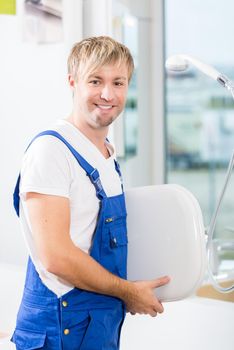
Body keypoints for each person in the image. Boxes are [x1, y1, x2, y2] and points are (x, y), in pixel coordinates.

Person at [11, 36, 170, 350]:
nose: (108, 94)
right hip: (60, 328)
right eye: (95, 81)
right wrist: (127, 291)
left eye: (118, 82)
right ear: (73, 81)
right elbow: (56, 256)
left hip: (98, 324)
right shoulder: (52, 150)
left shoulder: (108, 156)